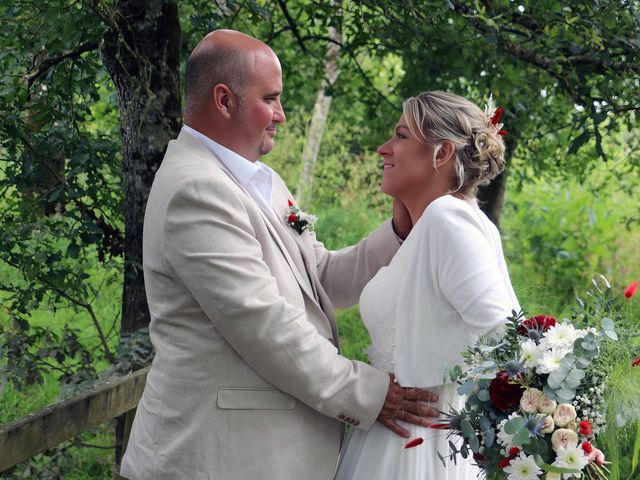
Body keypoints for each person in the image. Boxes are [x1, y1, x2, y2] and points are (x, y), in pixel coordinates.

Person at [120, 29, 438, 480]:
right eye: (271, 99)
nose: (282, 115)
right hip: (217, 458)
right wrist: (370, 393)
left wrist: (398, 231)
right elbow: (264, 324)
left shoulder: (261, 181)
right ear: (224, 100)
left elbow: (321, 278)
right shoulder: (197, 189)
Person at [334, 91, 521, 479]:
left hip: (417, 447)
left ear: (442, 153)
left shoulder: (446, 219)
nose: (384, 148)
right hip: (395, 435)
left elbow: (506, 337)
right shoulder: (439, 223)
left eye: (401, 136)